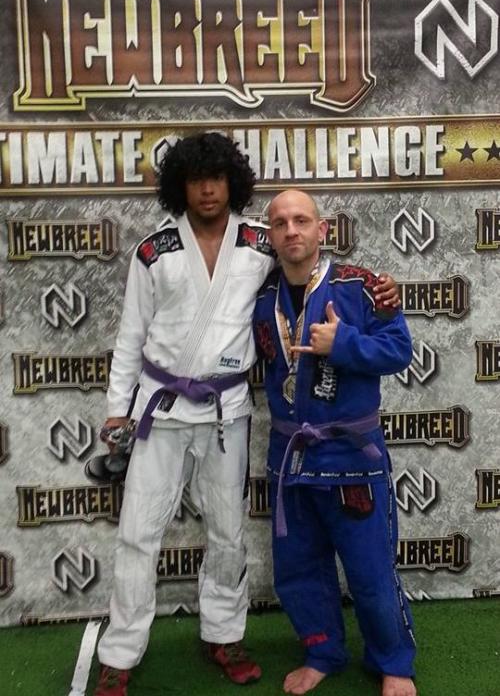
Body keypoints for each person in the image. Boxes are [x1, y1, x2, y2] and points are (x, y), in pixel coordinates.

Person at [94, 134, 401, 696]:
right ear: (180, 187)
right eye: (196, 180)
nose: (207, 190)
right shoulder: (153, 251)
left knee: (228, 531)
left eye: (217, 178)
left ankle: (223, 635)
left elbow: (308, 271)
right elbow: (130, 336)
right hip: (161, 407)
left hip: (226, 410)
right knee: (138, 532)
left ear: (232, 183)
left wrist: (379, 291)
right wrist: (118, 411)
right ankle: (120, 652)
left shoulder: (260, 243)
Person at [253, 189, 417, 696]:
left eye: (302, 220)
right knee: (299, 569)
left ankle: (393, 662)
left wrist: (341, 343)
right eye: (281, 222)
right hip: (291, 457)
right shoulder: (260, 297)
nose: (291, 230)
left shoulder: (362, 287)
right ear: (270, 234)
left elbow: (399, 350)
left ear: (322, 230)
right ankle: (323, 652)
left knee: (371, 572)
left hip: (352, 457)